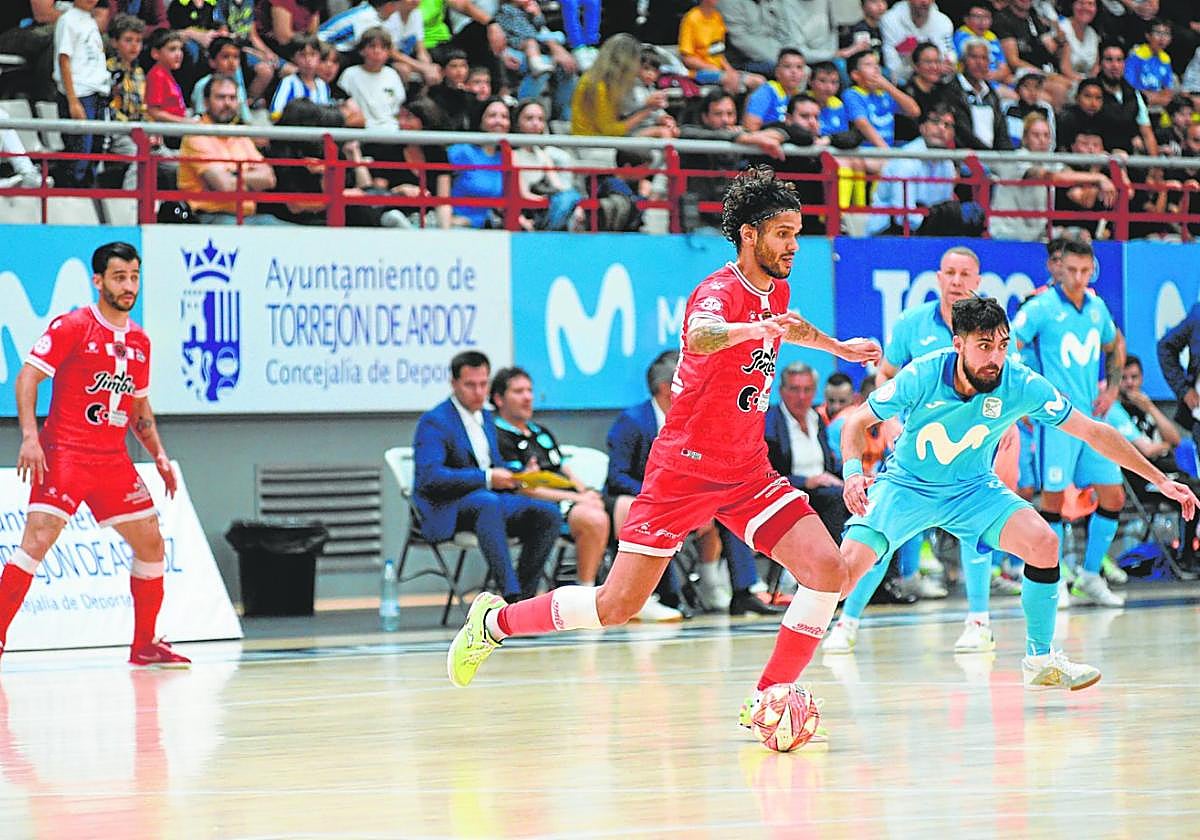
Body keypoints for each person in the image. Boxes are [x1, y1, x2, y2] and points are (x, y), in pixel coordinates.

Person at [445, 166, 883, 738]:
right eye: (783, 234)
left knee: (827, 571)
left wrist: (836, 347)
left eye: (797, 234)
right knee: (616, 606)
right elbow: (701, 336)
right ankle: (494, 622)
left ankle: (768, 697)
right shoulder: (717, 292)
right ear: (749, 234)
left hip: (747, 471)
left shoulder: (776, 289)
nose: (793, 246)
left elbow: (788, 325)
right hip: (684, 470)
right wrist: (755, 330)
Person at [838, 296, 1196, 691]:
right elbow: (856, 422)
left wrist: (1160, 480)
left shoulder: (1020, 382)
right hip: (908, 486)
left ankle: (1039, 659)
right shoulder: (923, 372)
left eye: (1003, 345)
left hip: (972, 490)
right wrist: (853, 474)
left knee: (1043, 542)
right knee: (839, 576)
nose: (996, 356)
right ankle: (818, 646)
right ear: (959, 345)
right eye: (984, 346)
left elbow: (1094, 431)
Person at [0, 242, 191, 668]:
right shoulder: (73, 326)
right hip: (65, 453)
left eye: (135, 277)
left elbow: (139, 408)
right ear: (98, 281)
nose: (129, 286)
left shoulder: (140, 341)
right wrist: (30, 437)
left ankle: (144, 645)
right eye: (120, 277)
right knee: (37, 541)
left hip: (111, 459)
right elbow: (27, 378)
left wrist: (159, 454)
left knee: (151, 542)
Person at [827, 247, 999, 656]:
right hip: (915, 455)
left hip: (970, 451)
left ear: (978, 281)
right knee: (879, 533)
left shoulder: (990, 327)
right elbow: (885, 375)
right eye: (950, 273)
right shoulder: (911, 323)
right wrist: (889, 423)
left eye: (965, 274)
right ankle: (847, 623)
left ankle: (979, 623)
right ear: (938, 278)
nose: (956, 281)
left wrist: (1003, 437)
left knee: (977, 534)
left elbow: (1004, 385)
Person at [604, 351, 776, 618]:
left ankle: (740, 591)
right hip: (640, 498)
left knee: (728, 504)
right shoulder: (633, 421)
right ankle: (668, 596)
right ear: (666, 388)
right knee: (662, 515)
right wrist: (663, 497)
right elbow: (617, 476)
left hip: (685, 497)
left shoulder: (696, 418)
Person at [1012, 237, 1127, 607]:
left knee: (1114, 495)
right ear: (1059, 267)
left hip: (1092, 420)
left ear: (1092, 269)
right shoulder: (1041, 307)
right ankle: (1053, 578)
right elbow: (1009, 346)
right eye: (1072, 270)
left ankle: (1090, 576)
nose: (1078, 277)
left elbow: (1115, 344)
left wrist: (1112, 389)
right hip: (1057, 420)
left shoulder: (1096, 307)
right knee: (1054, 499)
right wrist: (1026, 397)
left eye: (1084, 270)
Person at [413, 351, 563, 603]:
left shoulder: (486, 417)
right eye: (470, 385)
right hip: (449, 506)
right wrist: (487, 477)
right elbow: (430, 477)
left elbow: (495, 465)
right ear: (453, 384)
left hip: (489, 502)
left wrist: (519, 477)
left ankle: (526, 598)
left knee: (547, 513)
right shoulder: (435, 422)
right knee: (487, 502)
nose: (478, 392)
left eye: (483, 384)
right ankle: (510, 595)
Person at [490, 367, 609, 591]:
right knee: (594, 519)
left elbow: (564, 468)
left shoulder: (540, 432)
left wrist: (586, 493)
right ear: (499, 399)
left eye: (529, 390)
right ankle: (586, 591)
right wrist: (577, 499)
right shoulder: (498, 436)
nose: (527, 397)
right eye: (518, 391)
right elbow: (522, 487)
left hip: (568, 499)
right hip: (537, 506)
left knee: (620, 510)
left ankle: (638, 593)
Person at [764, 363, 850, 545]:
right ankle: (835, 557)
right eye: (795, 389)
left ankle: (881, 563)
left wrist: (855, 476)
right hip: (790, 491)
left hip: (824, 486)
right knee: (835, 498)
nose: (801, 397)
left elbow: (830, 464)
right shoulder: (770, 423)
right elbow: (767, 475)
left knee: (869, 492)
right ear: (781, 391)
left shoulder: (816, 418)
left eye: (807, 390)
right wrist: (806, 481)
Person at [178, 74, 283, 224]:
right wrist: (250, 178)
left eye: (232, 98)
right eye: (221, 97)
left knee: (289, 230)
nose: (227, 103)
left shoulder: (239, 135)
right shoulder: (196, 135)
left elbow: (269, 179)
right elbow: (223, 185)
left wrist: (234, 175)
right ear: (206, 102)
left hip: (248, 217)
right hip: (210, 217)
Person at [54, 0, 108, 188]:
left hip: (97, 92)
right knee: (79, 154)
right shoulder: (68, 20)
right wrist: (73, 101)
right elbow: (64, 59)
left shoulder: (90, 20)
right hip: (79, 94)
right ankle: (71, 194)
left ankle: (88, 192)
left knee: (96, 149)